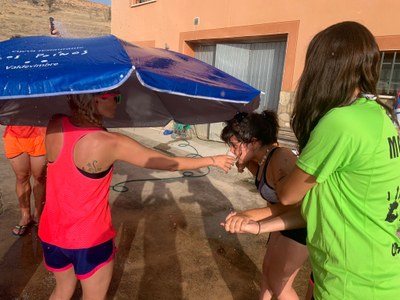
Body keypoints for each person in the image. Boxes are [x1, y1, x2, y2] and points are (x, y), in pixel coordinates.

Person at [38, 91, 235, 300]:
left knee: (61, 291)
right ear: (96, 98)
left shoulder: (55, 123)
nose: (118, 102)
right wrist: (212, 160)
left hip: (51, 233)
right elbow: (166, 163)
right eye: (116, 97)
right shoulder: (111, 143)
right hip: (89, 239)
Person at [275, 21, 400, 299]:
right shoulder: (381, 116)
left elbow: (288, 194)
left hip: (351, 283)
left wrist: (283, 169)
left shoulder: (341, 122)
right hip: (381, 273)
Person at [220, 111, 309, 300]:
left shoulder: (282, 158)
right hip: (278, 224)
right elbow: (266, 181)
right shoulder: (263, 159)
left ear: (253, 142)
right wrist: (243, 163)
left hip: (297, 225)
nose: (233, 152)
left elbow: (295, 203)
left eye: (235, 146)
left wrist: (249, 215)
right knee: (268, 273)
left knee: (280, 285)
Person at [3, 125, 47, 236]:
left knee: (40, 177)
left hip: (40, 133)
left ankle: (38, 215)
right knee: (21, 177)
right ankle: (25, 216)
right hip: (14, 135)